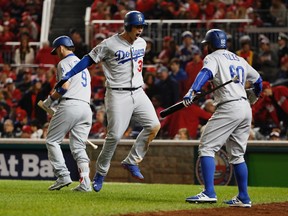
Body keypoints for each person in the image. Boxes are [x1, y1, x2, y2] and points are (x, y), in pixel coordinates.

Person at [55, 11, 161, 193]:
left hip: (138, 91)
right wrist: (69, 74)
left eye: (142, 27)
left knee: (154, 125)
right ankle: (100, 174)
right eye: (137, 27)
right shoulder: (109, 44)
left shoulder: (142, 43)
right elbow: (88, 59)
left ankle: (132, 160)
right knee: (114, 136)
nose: (140, 30)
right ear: (127, 26)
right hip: (117, 94)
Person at [183, 29, 262, 207]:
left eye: (206, 45)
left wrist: (192, 90)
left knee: (206, 147)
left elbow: (206, 74)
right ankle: (243, 197)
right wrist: (253, 97)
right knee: (237, 155)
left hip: (229, 106)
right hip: (245, 108)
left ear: (210, 44)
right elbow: (258, 81)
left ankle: (209, 192)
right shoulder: (239, 59)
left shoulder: (213, 57)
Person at [41, 35, 92, 192]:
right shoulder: (83, 65)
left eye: (56, 51)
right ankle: (85, 183)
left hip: (70, 103)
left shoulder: (64, 62)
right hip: (86, 108)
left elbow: (64, 87)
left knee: (52, 141)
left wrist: (49, 101)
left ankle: (63, 175)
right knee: (78, 147)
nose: (56, 54)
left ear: (61, 48)